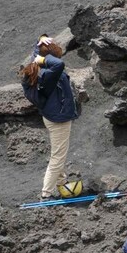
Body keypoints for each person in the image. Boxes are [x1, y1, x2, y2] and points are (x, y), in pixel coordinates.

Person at [19, 34, 79, 200]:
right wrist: (44, 59)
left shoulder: (36, 65)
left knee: (58, 152)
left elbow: (38, 54)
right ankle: (45, 195)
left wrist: (40, 40)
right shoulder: (48, 73)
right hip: (58, 119)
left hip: (51, 114)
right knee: (58, 157)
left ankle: (61, 183)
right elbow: (59, 63)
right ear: (48, 58)